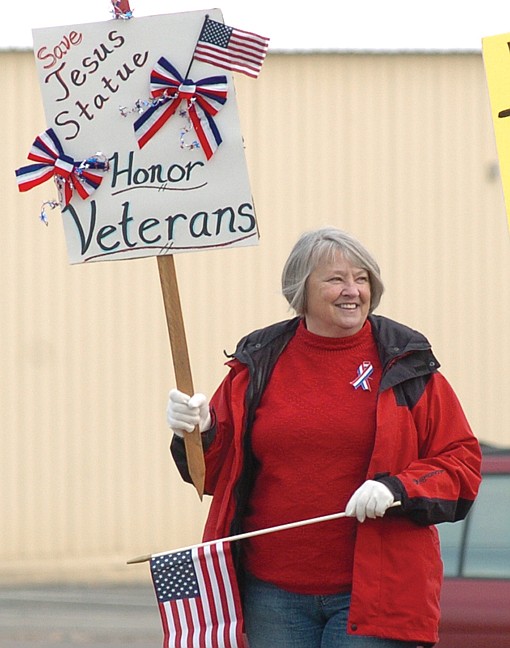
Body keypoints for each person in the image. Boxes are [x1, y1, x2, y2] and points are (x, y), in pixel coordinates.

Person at [167, 227, 482, 648]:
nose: (352, 290)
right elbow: (212, 476)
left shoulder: (407, 363)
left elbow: (461, 464)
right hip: (271, 594)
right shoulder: (259, 361)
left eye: (362, 278)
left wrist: (398, 489)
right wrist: (199, 432)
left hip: (377, 595)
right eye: (336, 279)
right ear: (301, 290)